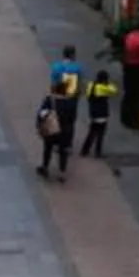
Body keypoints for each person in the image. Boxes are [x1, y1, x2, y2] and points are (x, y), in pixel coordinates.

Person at [38, 47, 83, 181]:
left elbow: (54, 84)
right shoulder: (78, 68)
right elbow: (79, 85)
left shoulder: (57, 67)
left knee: (48, 144)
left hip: (57, 109)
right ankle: (62, 171)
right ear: (73, 55)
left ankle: (45, 167)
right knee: (65, 140)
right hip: (71, 102)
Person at [81, 61, 117, 158]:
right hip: (102, 114)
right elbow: (114, 90)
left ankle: (85, 149)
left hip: (93, 113)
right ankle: (98, 152)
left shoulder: (91, 85)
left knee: (92, 132)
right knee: (100, 134)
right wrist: (108, 84)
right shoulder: (102, 88)